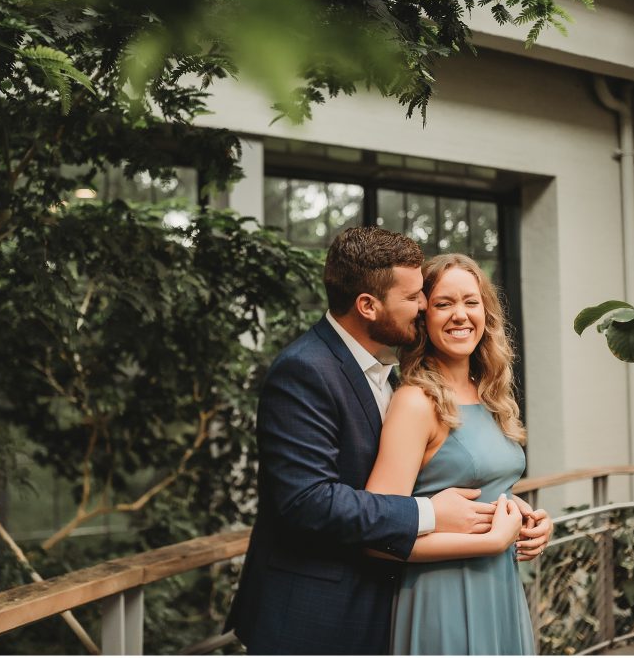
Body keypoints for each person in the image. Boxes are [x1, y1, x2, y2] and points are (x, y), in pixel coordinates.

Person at [225, 228, 547, 654]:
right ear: (368, 306)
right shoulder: (305, 370)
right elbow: (307, 502)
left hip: (385, 598)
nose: (423, 306)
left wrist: (512, 509)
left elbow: (433, 473)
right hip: (314, 612)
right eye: (416, 298)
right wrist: (431, 513)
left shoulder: (386, 375)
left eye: (469, 302)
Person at [365, 253, 550, 654]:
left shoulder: (491, 395)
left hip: (500, 588)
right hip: (440, 596)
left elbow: (481, 485)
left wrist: (525, 518)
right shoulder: (415, 402)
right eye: (443, 303)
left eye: (470, 302)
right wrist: (490, 542)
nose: (460, 315)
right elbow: (377, 535)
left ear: (486, 313)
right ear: (423, 317)